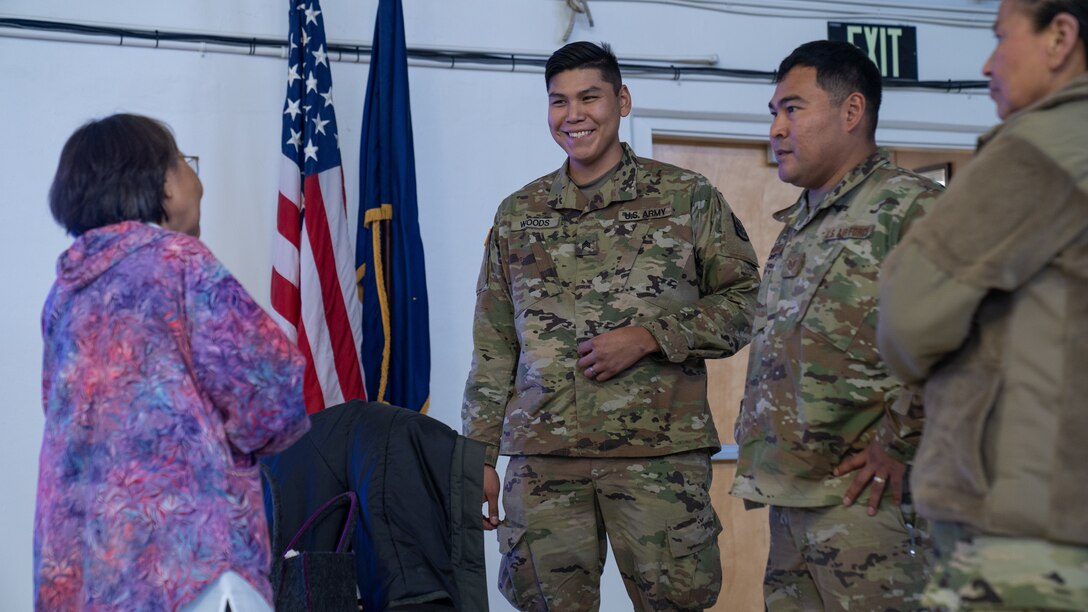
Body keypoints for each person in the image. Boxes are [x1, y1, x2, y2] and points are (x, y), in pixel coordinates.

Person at [462, 41, 760, 611]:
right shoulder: (517, 214)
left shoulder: (686, 197)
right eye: (558, 101)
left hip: (657, 459)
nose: (573, 115)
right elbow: (494, 345)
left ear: (622, 101)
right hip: (542, 461)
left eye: (589, 97)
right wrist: (475, 458)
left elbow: (748, 300)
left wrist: (653, 336)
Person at [35, 113, 310, 611]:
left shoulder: (63, 294)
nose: (197, 182)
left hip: (87, 570)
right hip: (188, 570)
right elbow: (276, 395)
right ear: (157, 183)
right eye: (183, 163)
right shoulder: (179, 264)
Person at [877, 0, 1088, 609]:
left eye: (1000, 38)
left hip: (1028, 535)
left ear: (1061, 37)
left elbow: (910, 318)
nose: (988, 62)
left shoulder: (1041, 146)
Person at [729, 40, 942, 610]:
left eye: (792, 109)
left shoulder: (912, 209)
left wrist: (902, 444)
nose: (775, 128)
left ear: (851, 112)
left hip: (870, 507)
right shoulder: (800, 225)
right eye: (773, 112)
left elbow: (964, 341)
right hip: (791, 499)